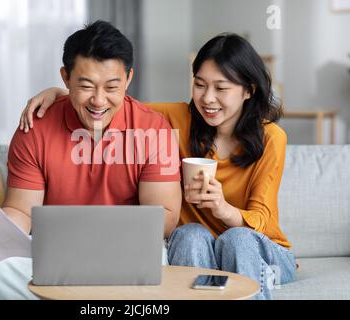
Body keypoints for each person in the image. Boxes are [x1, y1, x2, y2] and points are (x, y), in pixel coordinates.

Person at [19, 33, 297, 300]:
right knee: (189, 234)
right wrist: (62, 93)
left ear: (249, 90)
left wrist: (222, 208)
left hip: (259, 249)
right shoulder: (176, 119)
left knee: (237, 239)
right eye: (200, 85)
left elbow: (262, 220)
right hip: (202, 246)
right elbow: (110, 102)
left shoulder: (271, 138)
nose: (208, 98)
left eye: (221, 88)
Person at [0, 20, 182, 300]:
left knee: (157, 265)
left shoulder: (152, 129)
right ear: (65, 78)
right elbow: (22, 211)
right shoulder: (35, 127)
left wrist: (98, 233)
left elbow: (163, 217)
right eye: (86, 86)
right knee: (0, 266)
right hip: (54, 250)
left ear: (128, 79)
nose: (99, 101)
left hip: (126, 248)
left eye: (112, 87)